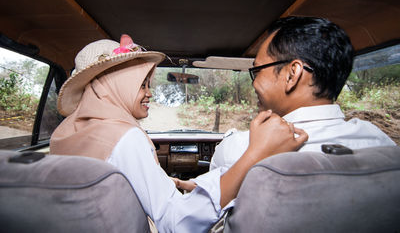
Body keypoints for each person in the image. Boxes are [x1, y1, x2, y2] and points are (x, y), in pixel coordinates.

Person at [50, 34, 308, 232]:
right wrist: (253, 157)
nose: (149, 93)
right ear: (116, 86)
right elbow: (176, 222)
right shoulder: (125, 137)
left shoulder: (65, 133)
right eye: (141, 85)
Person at [210, 16, 396, 170]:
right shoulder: (381, 141)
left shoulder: (237, 151)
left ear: (292, 74)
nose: (255, 82)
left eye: (257, 70)